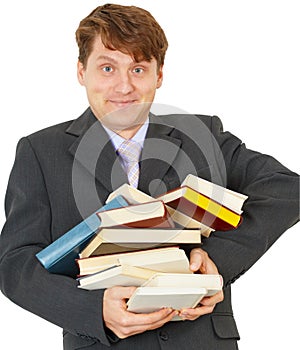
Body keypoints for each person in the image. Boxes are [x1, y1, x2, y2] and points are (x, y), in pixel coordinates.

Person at [0, 3, 298, 350]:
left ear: (159, 75)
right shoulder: (39, 151)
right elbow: (16, 265)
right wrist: (95, 311)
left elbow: (288, 189)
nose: (124, 86)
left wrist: (216, 259)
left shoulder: (204, 135)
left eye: (138, 68)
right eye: (107, 67)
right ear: (82, 71)